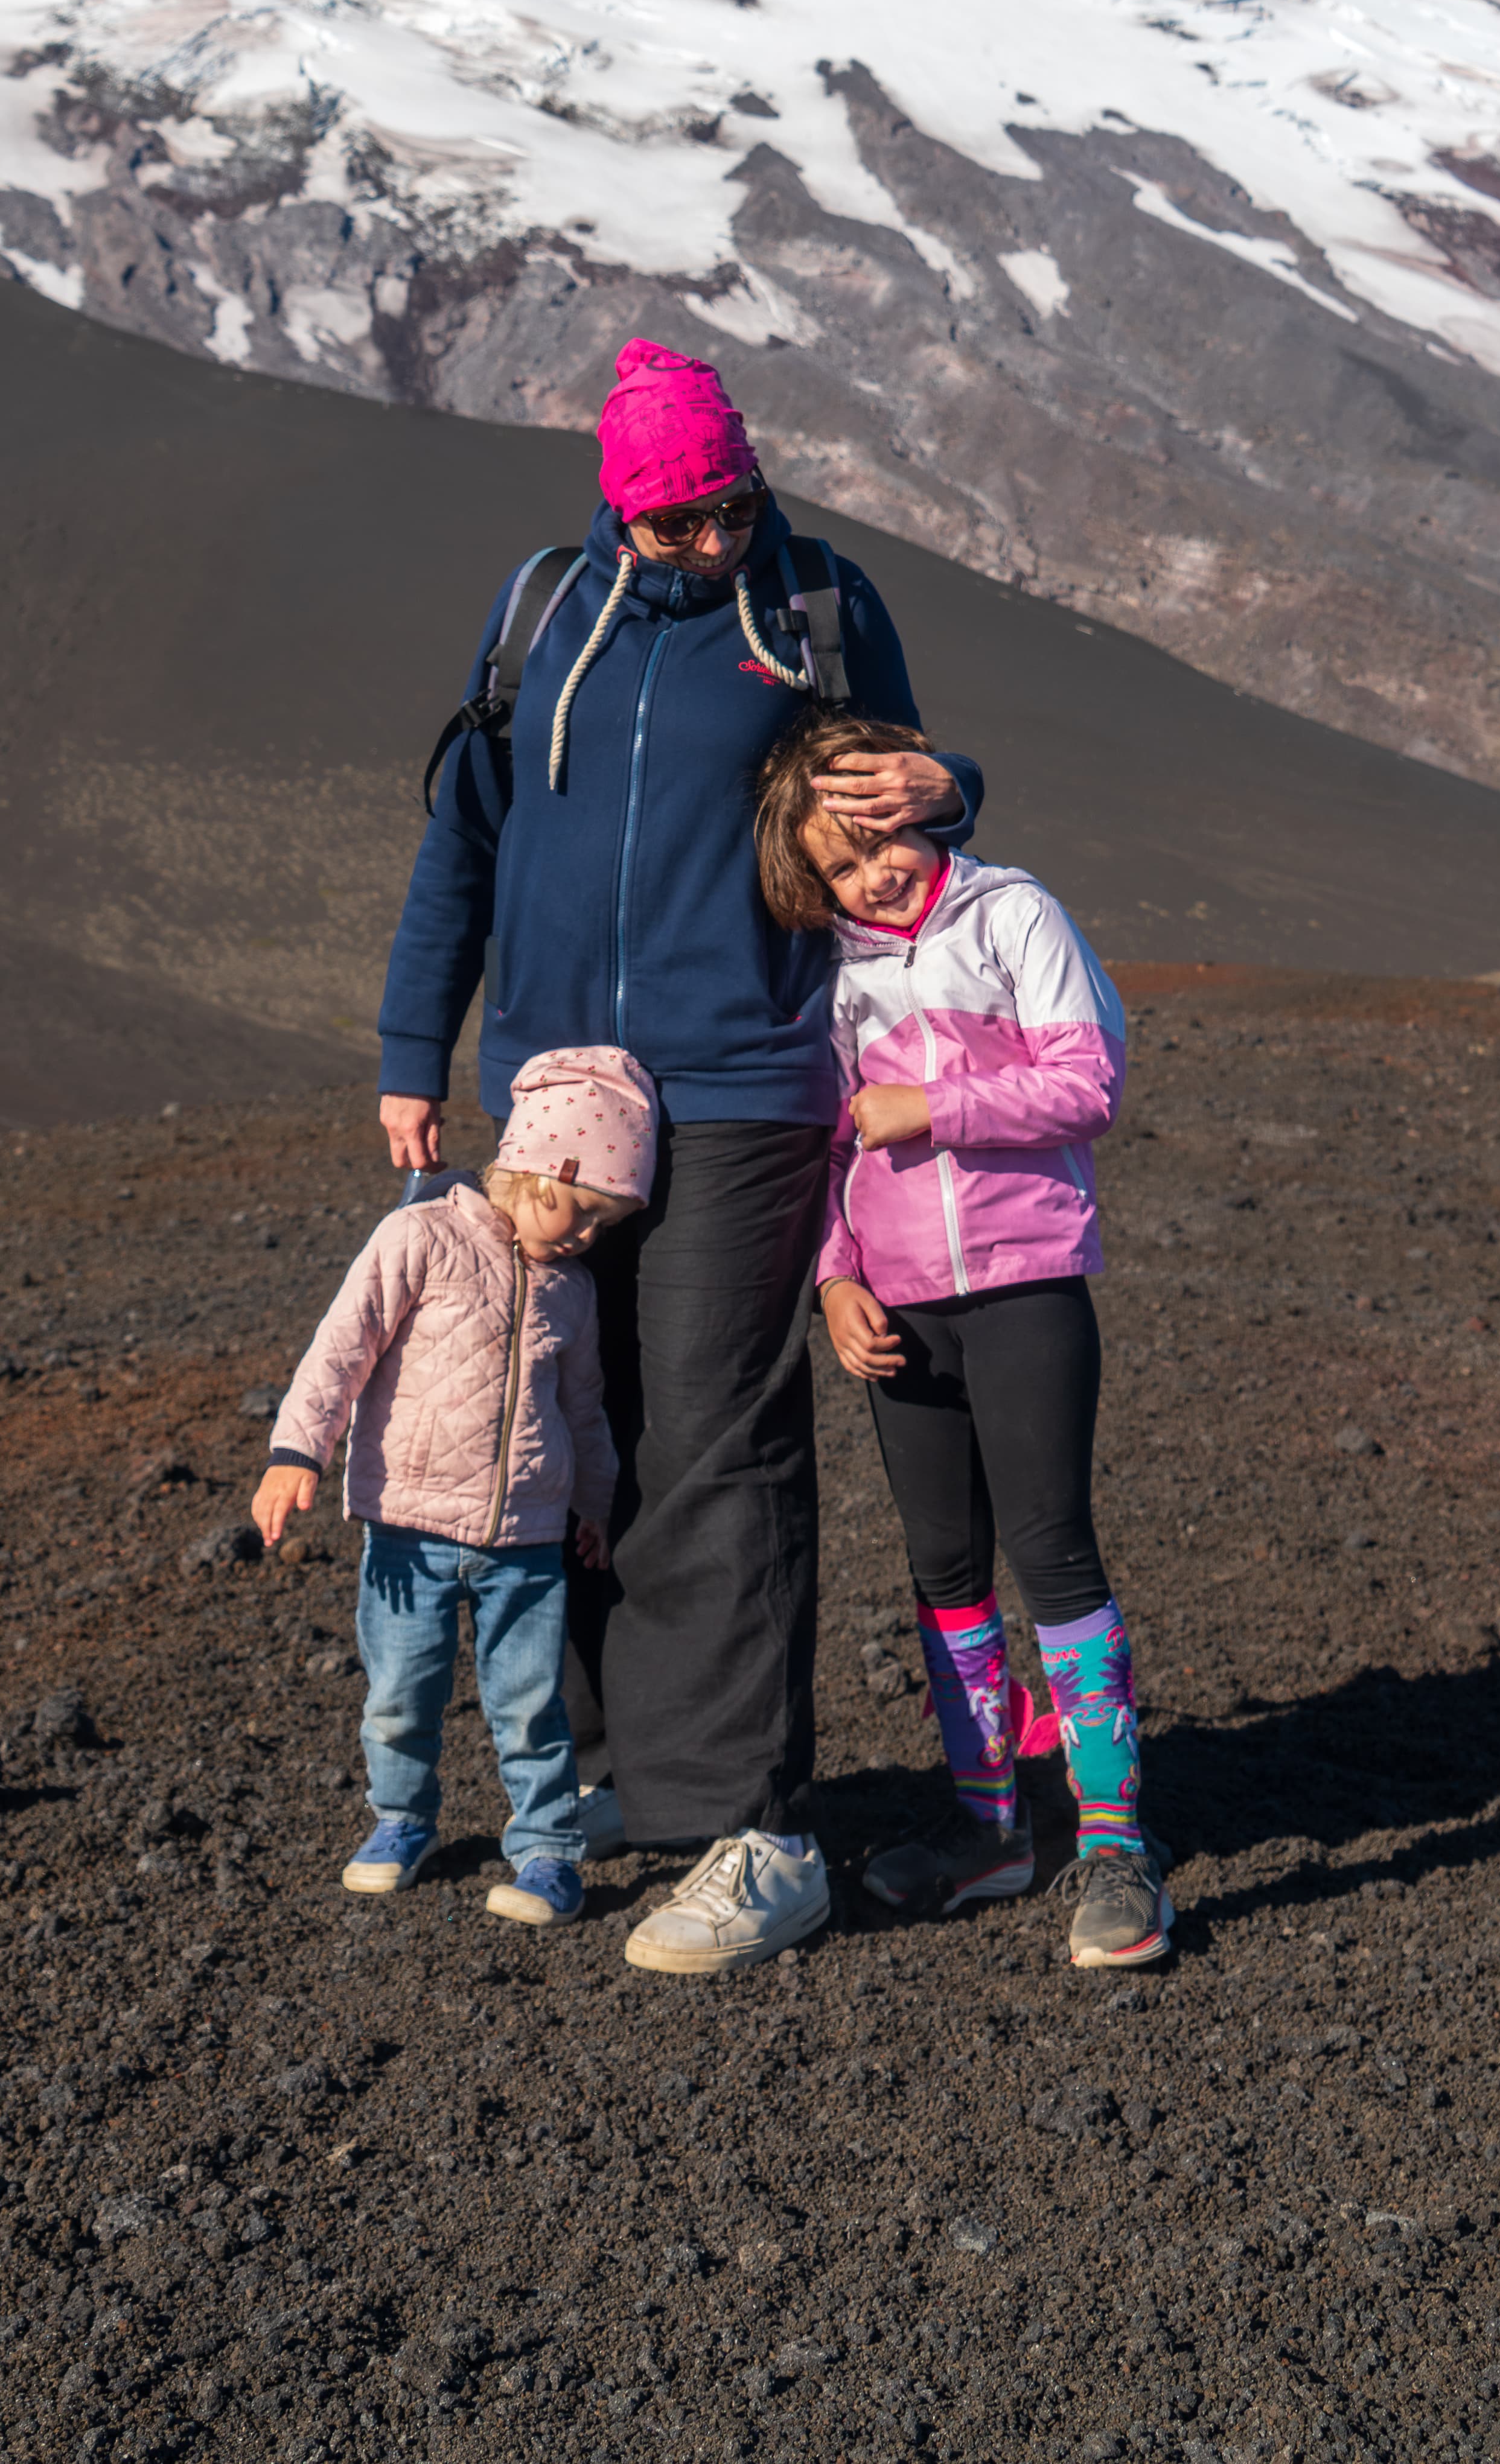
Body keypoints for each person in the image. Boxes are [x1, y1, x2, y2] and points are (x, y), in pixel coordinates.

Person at [378, 336, 980, 1975]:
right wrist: (410, 1049)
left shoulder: (815, 609)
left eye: (731, 507)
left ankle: (755, 1828)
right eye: (677, 524)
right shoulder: (537, 620)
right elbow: (465, 840)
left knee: (715, 1425)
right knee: (567, 1420)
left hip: (745, 1076)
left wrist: (955, 783)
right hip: (558, 1089)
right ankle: (589, 1772)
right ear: (617, 510)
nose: (713, 543)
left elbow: (905, 815)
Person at [753, 705, 1176, 1970]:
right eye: (839, 863)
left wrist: (930, 1105)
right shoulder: (828, 967)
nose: (873, 873)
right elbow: (828, 1142)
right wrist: (835, 1279)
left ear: (919, 805)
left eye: (880, 839)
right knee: (944, 1566)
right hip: (900, 1305)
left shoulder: (1012, 913)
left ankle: (1114, 1843)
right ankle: (991, 1826)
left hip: (1026, 1276)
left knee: (1050, 1548)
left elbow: (1089, 1079)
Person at [251, 1047, 654, 1927]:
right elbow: (341, 1348)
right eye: (583, 1213)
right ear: (544, 1167)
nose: (587, 1238)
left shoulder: (572, 1291)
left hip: (527, 1537)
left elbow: (583, 1408)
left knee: (530, 1702)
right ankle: (402, 1820)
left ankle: (548, 1849)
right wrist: (297, 1451)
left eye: (603, 1227)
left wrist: (592, 1501)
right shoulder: (419, 1237)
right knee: (400, 1692)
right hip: (407, 1525)